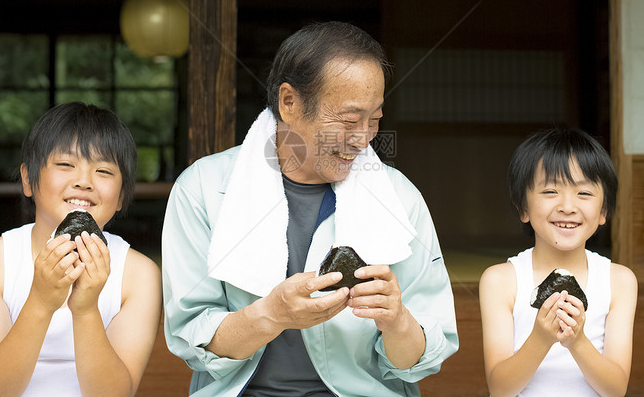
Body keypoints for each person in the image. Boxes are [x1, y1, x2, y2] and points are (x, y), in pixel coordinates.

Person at [162, 21, 458, 396]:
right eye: (350, 120)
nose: (364, 138)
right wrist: (272, 314)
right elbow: (193, 341)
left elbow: (422, 361)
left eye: (376, 119)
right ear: (289, 102)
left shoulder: (400, 198)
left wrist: (397, 320)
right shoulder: (203, 189)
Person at [0, 102, 162, 396]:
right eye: (66, 165)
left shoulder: (138, 274)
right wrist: (40, 301)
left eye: (103, 170)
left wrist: (86, 310)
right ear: (28, 178)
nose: (84, 182)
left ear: (122, 196)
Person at [479, 128, 638, 396]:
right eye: (550, 191)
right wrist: (540, 339)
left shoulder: (619, 281)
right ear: (523, 208)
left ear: (604, 212)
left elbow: (616, 389)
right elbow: (499, 389)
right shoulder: (501, 281)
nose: (567, 206)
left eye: (584, 194)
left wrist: (577, 342)